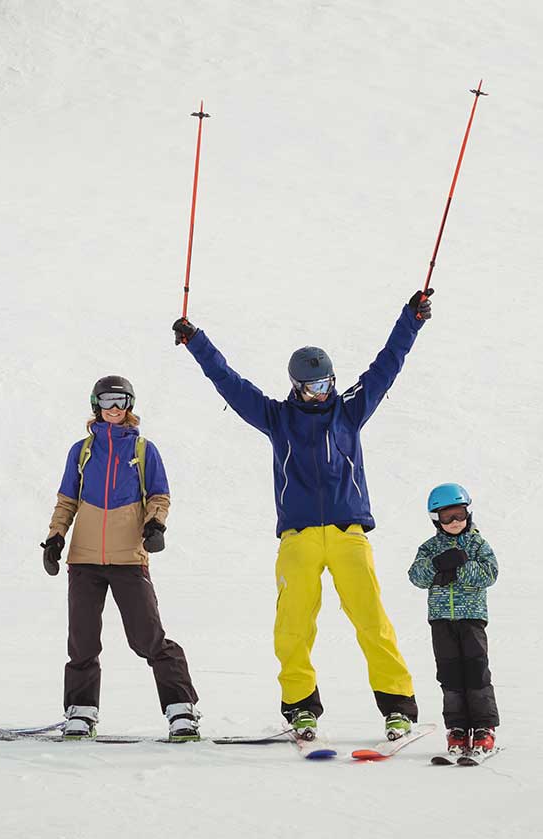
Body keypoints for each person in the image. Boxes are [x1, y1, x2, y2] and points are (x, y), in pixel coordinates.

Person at [171, 289, 434, 742]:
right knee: (292, 626)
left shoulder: (350, 411)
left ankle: (397, 707)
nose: (322, 393)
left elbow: (388, 362)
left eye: (327, 383)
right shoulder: (277, 418)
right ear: (297, 386)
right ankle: (300, 709)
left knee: (372, 621)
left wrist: (411, 319)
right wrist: (197, 342)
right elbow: (229, 382)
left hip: (349, 534)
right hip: (299, 539)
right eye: (314, 386)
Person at [40, 376, 201, 740]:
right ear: (96, 404)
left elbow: (159, 496)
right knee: (82, 640)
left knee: (148, 637)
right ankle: (81, 712)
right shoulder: (80, 451)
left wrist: (155, 526)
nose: (115, 408)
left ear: (130, 405)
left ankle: (181, 710)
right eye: (108, 401)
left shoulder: (144, 450)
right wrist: (55, 538)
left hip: (129, 557)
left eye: (122, 401)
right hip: (84, 560)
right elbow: (67, 500)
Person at [407, 483, 500, 759]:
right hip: (441, 622)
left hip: (471, 619)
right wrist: (438, 564)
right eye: (447, 517)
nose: (455, 522)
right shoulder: (429, 548)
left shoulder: (477, 544)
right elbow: (416, 577)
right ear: (437, 519)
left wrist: (461, 565)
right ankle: (457, 728)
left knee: (476, 672)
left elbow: (489, 574)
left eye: (459, 514)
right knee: (449, 676)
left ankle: (484, 728)